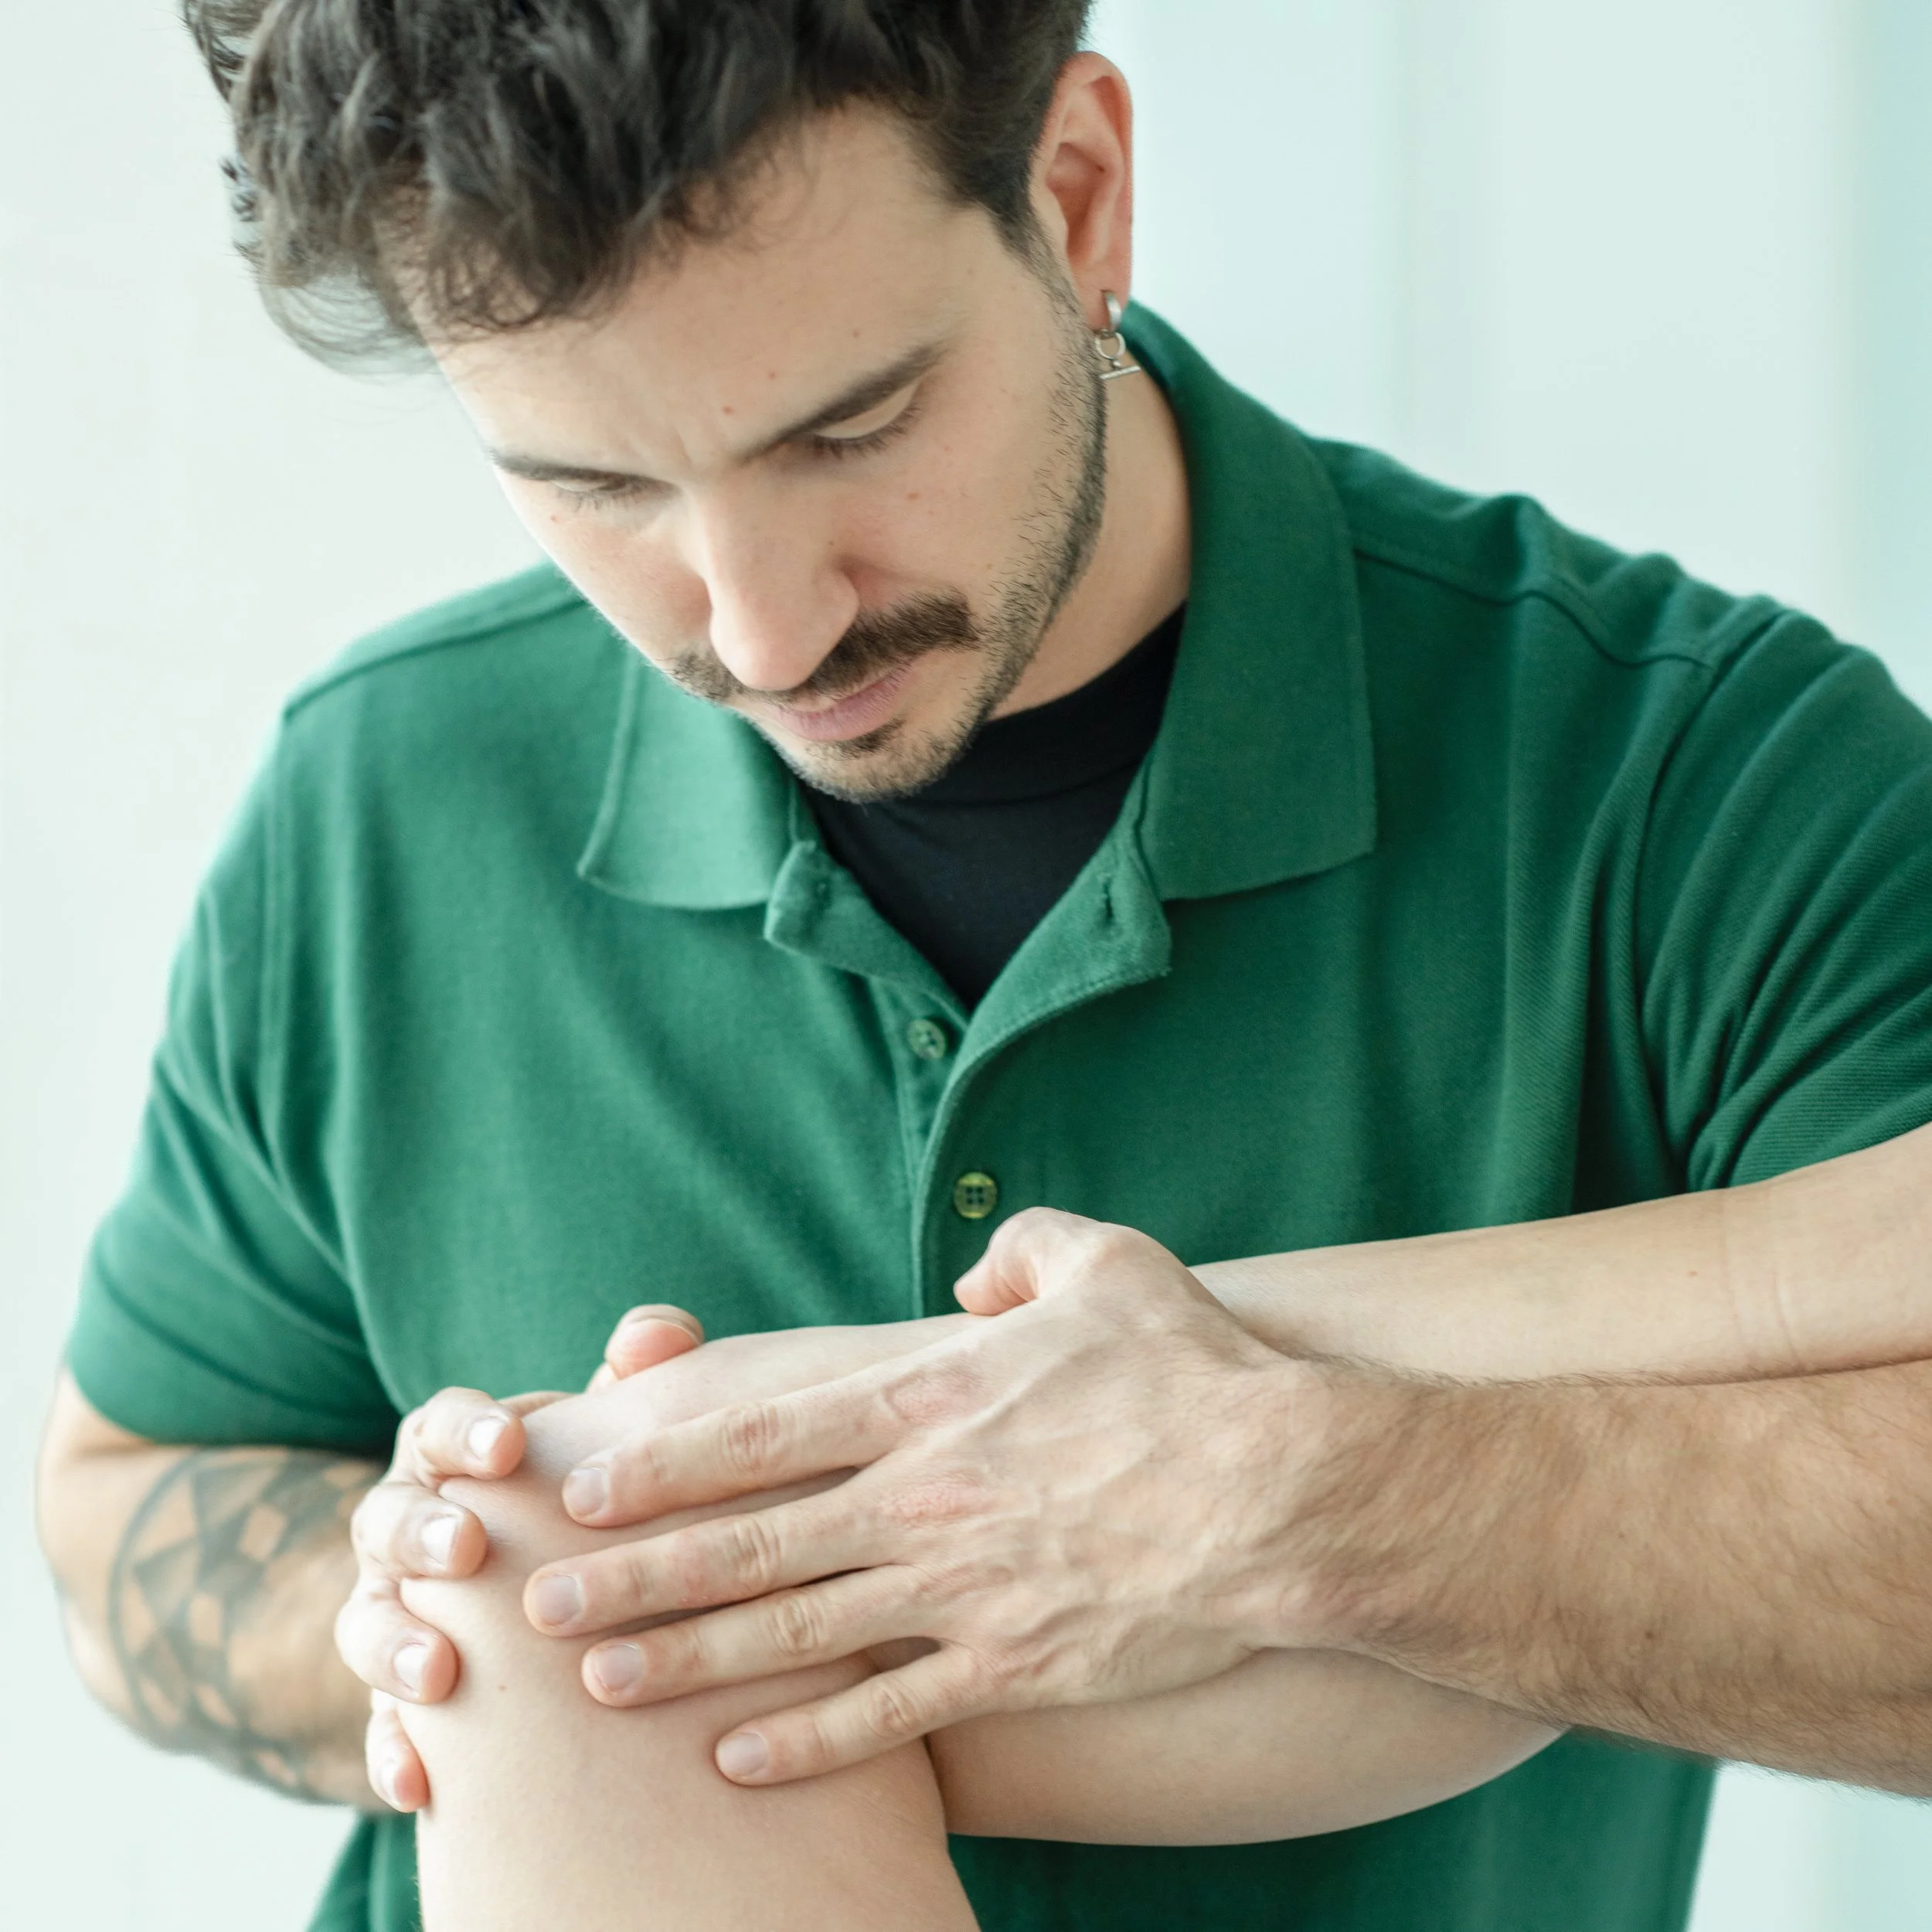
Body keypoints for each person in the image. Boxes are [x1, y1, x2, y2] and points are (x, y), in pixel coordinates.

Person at [32, 2, 1932, 1930]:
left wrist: (1315, 1489)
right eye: (595, 486)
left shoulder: (1699, 774)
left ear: (1077, 197)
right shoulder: (383, 790)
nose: (763, 632)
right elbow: (129, 1497)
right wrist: (472, 1612)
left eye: (848, 427)